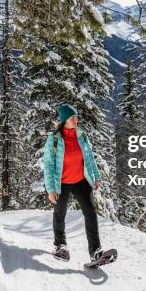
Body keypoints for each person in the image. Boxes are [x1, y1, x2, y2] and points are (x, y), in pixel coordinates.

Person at [43, 103, 105, 262]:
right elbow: (49, 164)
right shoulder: (54, 139)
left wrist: (95, 177)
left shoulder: (82, 136)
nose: (76, 119)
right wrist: (51, 189)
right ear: (64, 120)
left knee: (90, 213)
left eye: (76, 116)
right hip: (61, 183)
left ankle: (95, 251)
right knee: (60, 213)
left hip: (81, 180)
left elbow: (89, 158)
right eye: (73, 117)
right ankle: (60, 246)